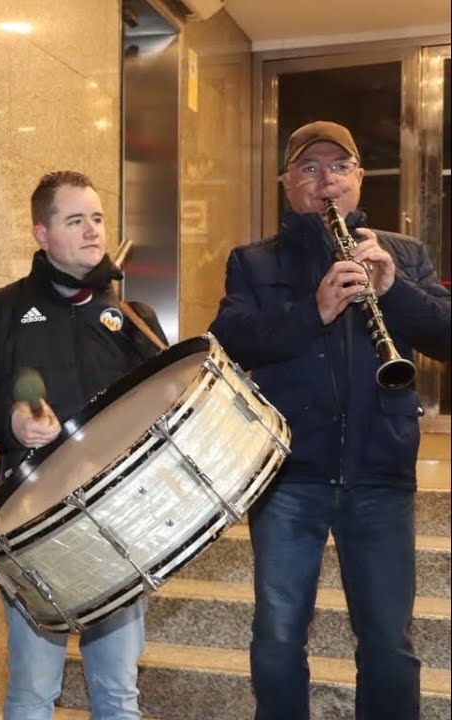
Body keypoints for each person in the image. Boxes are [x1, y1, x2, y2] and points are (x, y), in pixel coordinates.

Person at [209, 121, 451, 720]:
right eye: (310, 168)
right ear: (287, 183)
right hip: (290, 476)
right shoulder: (254, 261)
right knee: (278, 639)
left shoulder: (403, 254)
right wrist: (312, 309)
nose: (326, 180)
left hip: (380, 474)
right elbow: (231, 340)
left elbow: (445, 336)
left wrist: (395, 293)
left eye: (339, 167)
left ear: (359, 179)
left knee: (389, 644)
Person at [0, 170, 165, 720]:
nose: (92, 231)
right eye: (75, 220)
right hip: (32, 525)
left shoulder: (133, 318)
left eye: (98, 218)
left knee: (117, 694)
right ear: (41, 234)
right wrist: (8, 422)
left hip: (118, 525)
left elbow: (166, 409)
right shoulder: (0, 311)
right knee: (34, 692)